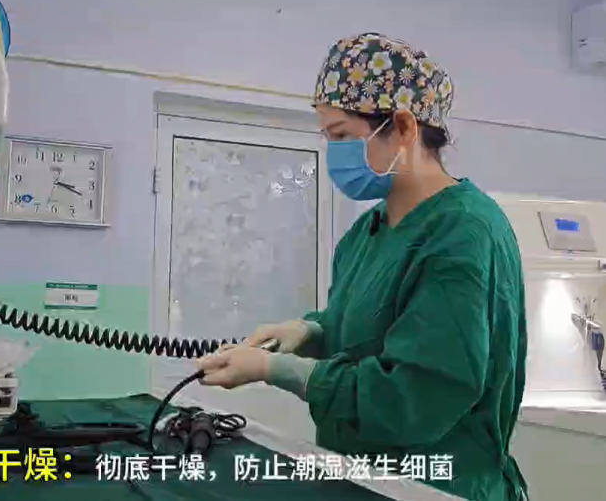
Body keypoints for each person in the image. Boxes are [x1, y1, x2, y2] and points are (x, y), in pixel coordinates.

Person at [197, 32, 529, 501]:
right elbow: (368, 330)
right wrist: (310, 332)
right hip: (359, 477)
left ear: (405, 127)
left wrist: (278, 370)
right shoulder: (367, 232)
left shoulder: (464, 233)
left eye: (342, 136)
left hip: (435, 487)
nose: (334, 154)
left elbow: (417, 393)